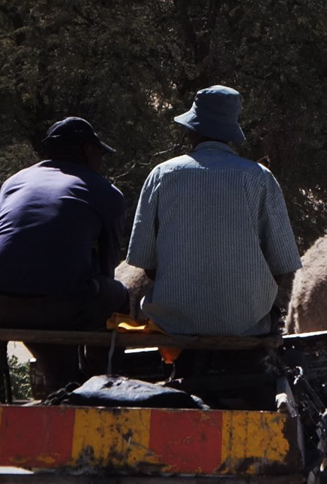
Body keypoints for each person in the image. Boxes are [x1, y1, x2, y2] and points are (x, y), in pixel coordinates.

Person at [126, 86, 301, 337]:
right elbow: (281, 268)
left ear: (192, 129)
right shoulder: (260, 178)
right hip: (247, 326)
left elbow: (147, 266)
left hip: (173, 327)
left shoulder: (162, 176)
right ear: (230, 132)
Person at [0, 116, 130, 392]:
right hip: (59, 308)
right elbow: (107, 267)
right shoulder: (105, 192)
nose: (101, 161)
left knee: (47, 296)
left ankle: (66, 382)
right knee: (117, 296)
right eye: (99, 153)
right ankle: (101, 387)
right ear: (87, 150)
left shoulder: (14, 182)